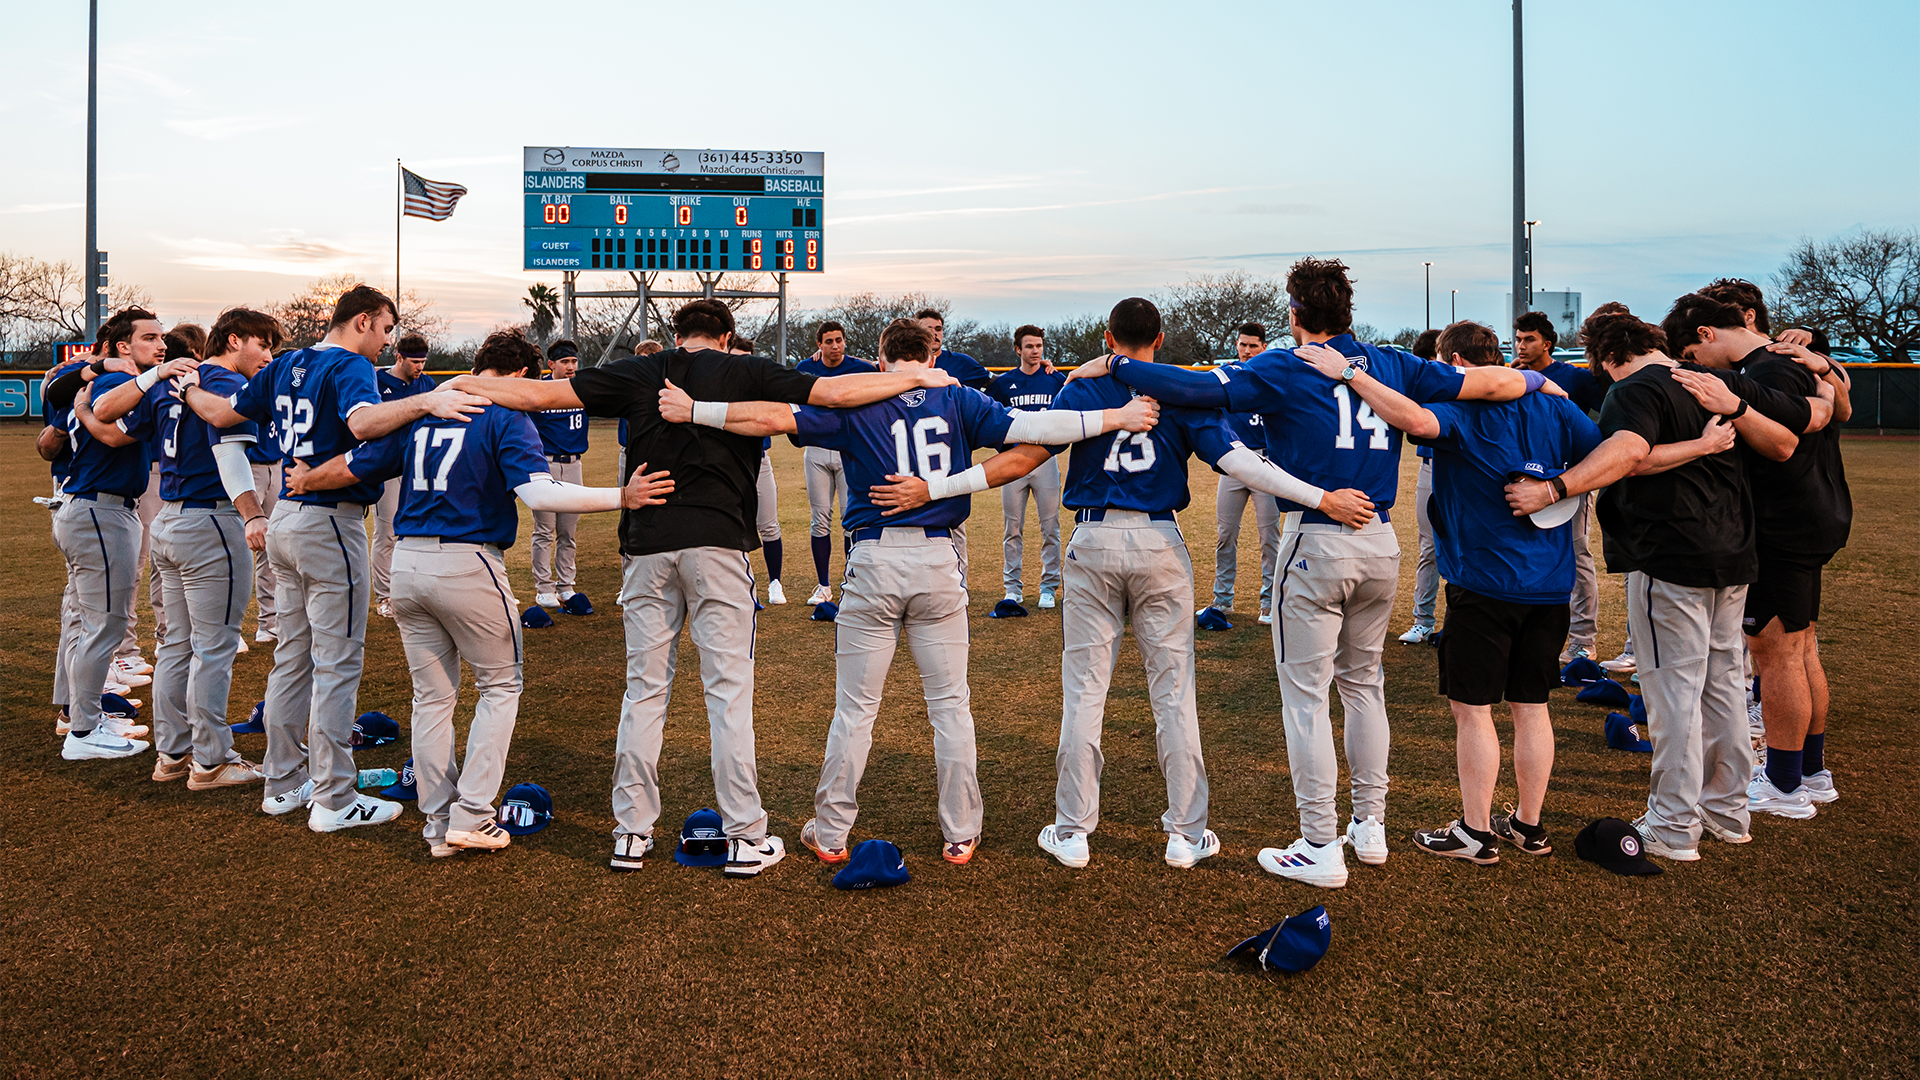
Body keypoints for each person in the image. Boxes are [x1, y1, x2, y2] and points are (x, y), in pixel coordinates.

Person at [446, 298, 957, 876]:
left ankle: (631, 833)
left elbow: (535, 395)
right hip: (718, 543)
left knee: (644, 692)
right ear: (728, 335)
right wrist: (921, 372)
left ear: (676, 333)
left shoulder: (643, 370)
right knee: (728, 696)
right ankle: (744, 835)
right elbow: (837, 394)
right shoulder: (747, 368)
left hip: (646, 543)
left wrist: (455, 385)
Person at [1081, 258, 1548, 889]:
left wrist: (1116, 365)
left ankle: (1319, 843)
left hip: (1318, 536)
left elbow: (1194, 391)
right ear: (1348, 313)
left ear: (1296, 314)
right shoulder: (1388, 361)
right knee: (1364, 685)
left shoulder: (1284, 363)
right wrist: (1539, 384)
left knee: (1306, 699)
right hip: (1380, 540)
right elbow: (1489, 386)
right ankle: (1372, 826)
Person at [660, 319, 1157, 865]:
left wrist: (697, 410)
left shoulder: (860, 400)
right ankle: (961, 831)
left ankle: (830, 833)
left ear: (881, 360)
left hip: (873, 556)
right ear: (929, 353)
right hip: (938, 556)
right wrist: (1113, 414)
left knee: (855, 709)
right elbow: (1037, 429)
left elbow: (772, 417)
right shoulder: (960, 397)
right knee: (950, 706)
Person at [290, 331, 672, 856]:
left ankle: (437, 821)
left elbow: (356, 465)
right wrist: (622, 496)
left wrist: (308, 480)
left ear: (477, 364)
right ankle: (470, 814)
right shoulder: (506, 416)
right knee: (499, 687)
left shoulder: (424, 411)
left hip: (405, 563)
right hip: (467, 561)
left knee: (432, 698)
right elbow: (538, 492)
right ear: (522, 377)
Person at [1033, 297, 1377, 871]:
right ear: (1161, 338)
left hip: (1092, 539)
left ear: (1107, 335)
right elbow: (1239, 463)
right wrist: (1318, 497)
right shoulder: (1177, 391)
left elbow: (1033, 438)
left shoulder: (1082, 388)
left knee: (1085, 692)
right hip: (1159, 543)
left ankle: (1072, 831)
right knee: (1174, 694)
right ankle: (1186, 834)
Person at [1505, 306, 1829, 860]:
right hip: (1734, 550)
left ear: (1609, 357)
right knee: (1723, 682)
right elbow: (1802, 424)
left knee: (1674, 693)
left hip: (1672, 554)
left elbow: (1628, 454)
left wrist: (1554, 490)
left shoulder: (1633, 389)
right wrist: (1822, 370)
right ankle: (1726, 809)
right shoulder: (1719, 380)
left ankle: (1675, 822)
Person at [176, 284, 489, 831]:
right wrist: (427, 400)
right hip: (329, 521)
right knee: (337, 663)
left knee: (293, 657)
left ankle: (284, 782)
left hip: (288, 520)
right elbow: (364, 424)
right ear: (363, 320)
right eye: (387, 328)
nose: (387, 340)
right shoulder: (350, 366)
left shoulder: (288, 362)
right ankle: (334, 799)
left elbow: (222, 415)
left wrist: (185, 389)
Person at [1297, 321, 1603, 863]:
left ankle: (1475, 831)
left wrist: (1348, 372)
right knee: (1532, 707)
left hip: (1484, 580)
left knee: (1475, 709)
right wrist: (1555, 488)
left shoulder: (1464, 411)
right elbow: (1602, 454)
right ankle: (1529, 826)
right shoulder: (1556, 404)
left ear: (1458, 365)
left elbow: (1411, 417)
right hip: (1551, 582)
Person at [1660, 293, 1853, 817]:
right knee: (1801, 647)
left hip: (1784, 526)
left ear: (1704, 334)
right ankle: (1810, 773)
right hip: (1814, 516)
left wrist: (1736, 409)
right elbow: (1839, 405)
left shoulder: (1764, 369)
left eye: (1691, 356)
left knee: (1777, 654)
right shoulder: (1788, 358)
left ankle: (1786, 785)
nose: (1693, 368)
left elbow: (1782, 444)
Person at [88, 308, 282, 790]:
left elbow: (107, 416)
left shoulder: (174, 377)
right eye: (264, 344)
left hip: (170, 518)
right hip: (210, 518)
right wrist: (253, 511)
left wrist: (152, 374)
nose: (269, 355)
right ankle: (212, 759)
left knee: (176, 644)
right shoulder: (221, 382)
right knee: (212, 647)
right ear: (234, 340)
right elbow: (231, 453)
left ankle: (172, 752)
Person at [49, 307, 168, 761]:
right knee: (105, 625)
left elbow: (58, 412)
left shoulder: (96, 381)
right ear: (124, 346)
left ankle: (76, 716)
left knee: (82, 620)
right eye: (150, 337)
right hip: (101, 509)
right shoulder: (118, 384)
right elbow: (116, 437)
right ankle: (84, 729)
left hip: (85, 505)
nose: (160, 344)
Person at [1511, 310, 1606, 663]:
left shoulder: (1573, 377)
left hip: (1570, 480)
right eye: (1518, 338)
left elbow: (1607, 413)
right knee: (1532, 553)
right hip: (1525, 481)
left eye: (1529, 339)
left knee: (1577, 555)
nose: (1521, 345)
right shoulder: (1512, 377)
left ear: (1547, 344)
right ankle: (1533, 630)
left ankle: (1583, 640)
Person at [1196, 321, 1285, 627]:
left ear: (1264, 347)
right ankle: (1222, 600)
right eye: (1242, 345)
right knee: (1225, 535)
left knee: (1269, 538)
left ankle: (1269, 603)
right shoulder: (1228, 375)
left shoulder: (1271, 375)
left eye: (1253, 346)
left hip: (1265, 464)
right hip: (1233, 464)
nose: (1246, 351)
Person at [795, 321, 877, 604]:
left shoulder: (860, 367)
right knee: (819, 520)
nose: (835, 346)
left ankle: (850, 582)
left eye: (839, 340)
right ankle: (823, 585)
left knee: (849, 519)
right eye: (828, 341)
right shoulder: (806, 368)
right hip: (817, 449)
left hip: (849, 450)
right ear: (819, 344)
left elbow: (885, 372)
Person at [988, 324, 1068, 608]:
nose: (1035, 351)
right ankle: (1013, 588)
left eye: (1039, 346)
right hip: (1013, 461)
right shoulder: (1003, 383)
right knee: (1012, 528)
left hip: (1045, 460)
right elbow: (991, 419)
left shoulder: (1055, 380)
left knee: (1051, 528)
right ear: (1018, 349)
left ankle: (1049, 587)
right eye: (1030, 346)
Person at [917, 308, 992, 588]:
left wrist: (1044, 367)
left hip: (951, 455)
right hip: (914, 454)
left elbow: (998, 386)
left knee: (954, 523)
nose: (934, 333)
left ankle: (959, 587)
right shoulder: (907, 365)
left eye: (938, 328)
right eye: (927, 328)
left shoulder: (960, 363)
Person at [370, 333, 438, 619]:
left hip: (418, 467)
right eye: (415, 361)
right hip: (386, 467)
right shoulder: (377, 380)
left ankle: (413, 591)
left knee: (419, 531)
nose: (419, 367)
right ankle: (384, 596)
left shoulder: (427, 384)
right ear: (398, 357)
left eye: (423, 361)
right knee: (387, 533)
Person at [530, 340, 593, 614]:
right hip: (546, 464)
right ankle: (544, 588)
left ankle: (565, 585)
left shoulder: (583, 388)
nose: (571, 366)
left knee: (568, 532)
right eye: (565, 362)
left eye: (574, 361)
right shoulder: (539, 389)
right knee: (544, 530)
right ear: (551, 364)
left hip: (574, 465)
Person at [1397, 328, 1443, 644]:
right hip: (1429, 467)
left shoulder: (1463, 382)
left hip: (1461, 469)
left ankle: (1458, 624)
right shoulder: (1417, 385)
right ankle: (1422, 620)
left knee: (1463, 544)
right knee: (1428, 546)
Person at [245, 383, 283, 645]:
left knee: (271, 547)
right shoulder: (250, 388)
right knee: (238, 546)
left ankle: (269, 622)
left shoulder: (280, 392)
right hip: (250, 468)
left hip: (276, 466)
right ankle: (230, 629)